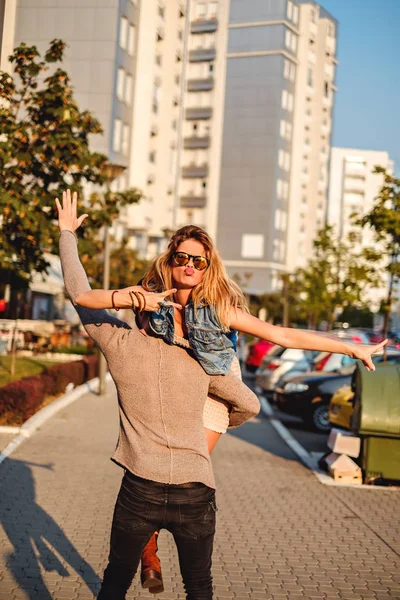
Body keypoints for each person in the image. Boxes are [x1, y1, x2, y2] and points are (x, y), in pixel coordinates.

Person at [56, 191, 261, 600]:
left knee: (115, 580)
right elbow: (250, 403)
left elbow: (79, 290)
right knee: (199, 588)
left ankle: (149, 558)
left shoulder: (118, 342)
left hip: (140, 491)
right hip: (195, 490)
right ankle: (153, 558)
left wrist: (67, 235)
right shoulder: (200, 361)